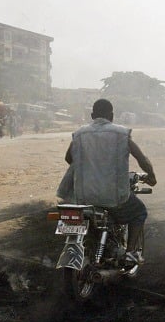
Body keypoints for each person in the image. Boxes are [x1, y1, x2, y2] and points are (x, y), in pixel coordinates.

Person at [57, 99, 157, 267]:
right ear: (111, 115)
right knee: (139, 212)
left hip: (84, 196)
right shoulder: (121, 133)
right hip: (113, 196)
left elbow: (69, 158)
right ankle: (130, 252)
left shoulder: (80, 134)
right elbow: (142, 159)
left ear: (92, 115)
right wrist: (151, 176)